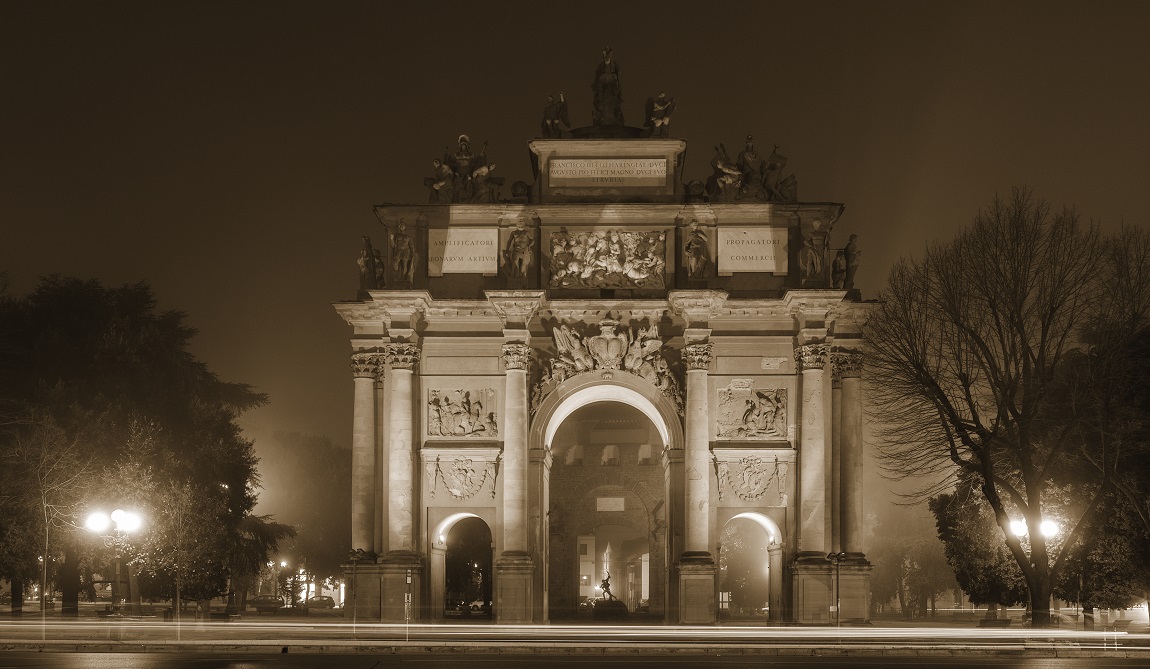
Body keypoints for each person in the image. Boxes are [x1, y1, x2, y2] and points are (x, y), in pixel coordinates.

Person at [592, 47, 623, 126]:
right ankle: (599, 98)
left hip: (612, 80)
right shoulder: (600, 66)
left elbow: (619, 76)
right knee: (600, 86)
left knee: (615, 87)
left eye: (608, 58)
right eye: (605, 58)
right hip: (603, 81)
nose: (607, 59)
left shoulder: (615, 65)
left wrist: (619, 88)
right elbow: (597, 76)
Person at [392, 219, 415, 284]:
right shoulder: (396, 236)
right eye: (400, 225)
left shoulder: (408, 237)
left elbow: (411, 246)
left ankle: (404, 278)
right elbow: (394, 245)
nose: (401, 226)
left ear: (405, 227)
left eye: (403, 225)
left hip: (406, 251)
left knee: (404, 265)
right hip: (398, 251)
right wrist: (391, 239)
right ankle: (396, 277)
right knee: (395, 264)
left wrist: (412, 253)